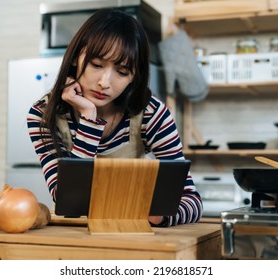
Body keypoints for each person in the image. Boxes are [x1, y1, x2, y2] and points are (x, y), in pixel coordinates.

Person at [27, 9, 202, 227]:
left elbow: (192, 200)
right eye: (97, 65)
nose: (105, 82)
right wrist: (89, 118)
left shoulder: (151, 113)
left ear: (134, 77)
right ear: (75, 59)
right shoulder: (43, 116)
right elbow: (68, 198)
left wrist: (160, 215)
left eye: (122, 71)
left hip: (133, 229)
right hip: (75, 232)